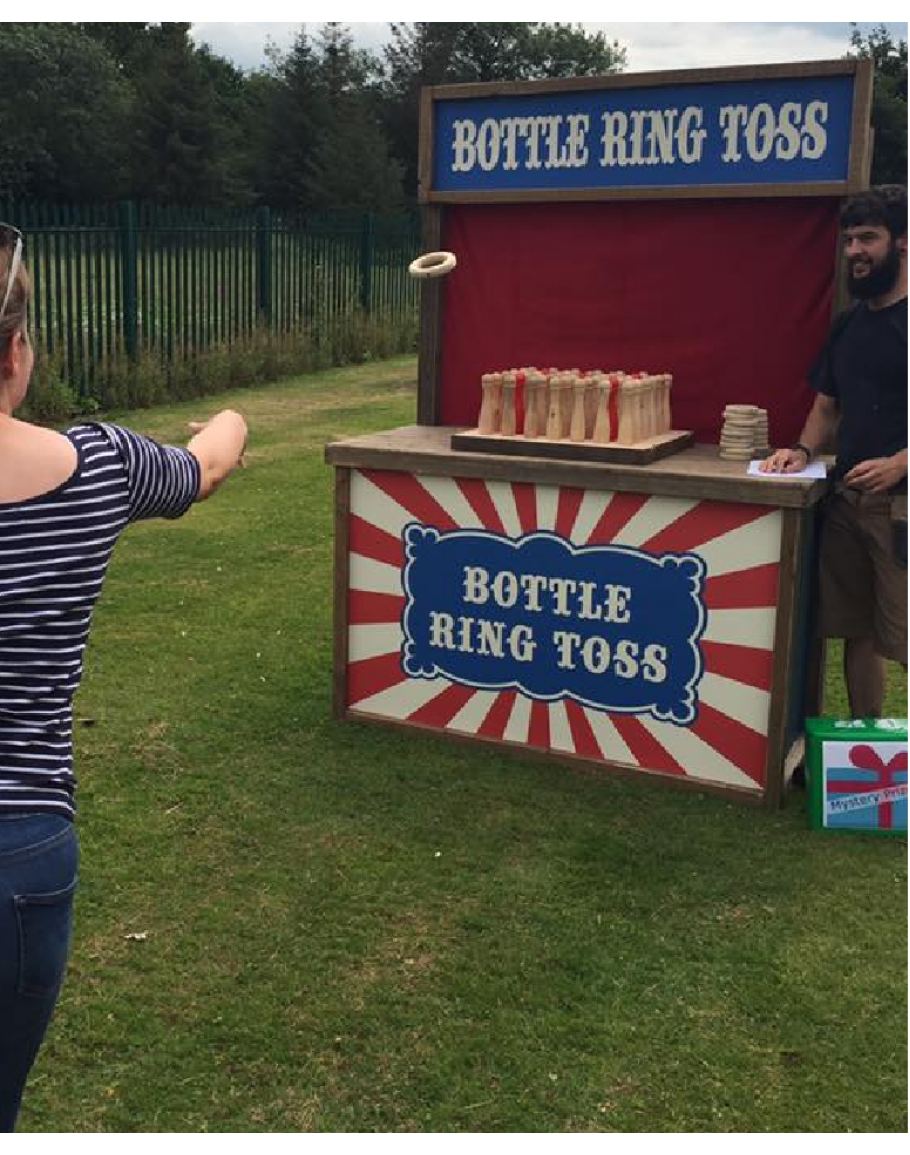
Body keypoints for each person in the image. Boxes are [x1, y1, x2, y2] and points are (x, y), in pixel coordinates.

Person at [0, 224, 248, 1131]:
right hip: (22, 848)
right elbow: (208, 466)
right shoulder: (101, 465)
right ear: (17, 353)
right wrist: (230, 420)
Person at [761, 185, 908, 720]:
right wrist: (801, 450)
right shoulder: (849, 323)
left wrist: (901, 462)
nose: (854, 252)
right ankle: (867, 741)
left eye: (867, 238)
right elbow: (827, 406)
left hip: (902, 510)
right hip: (847, 504)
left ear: (903, 243)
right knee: (857, 632)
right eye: (849, 241)